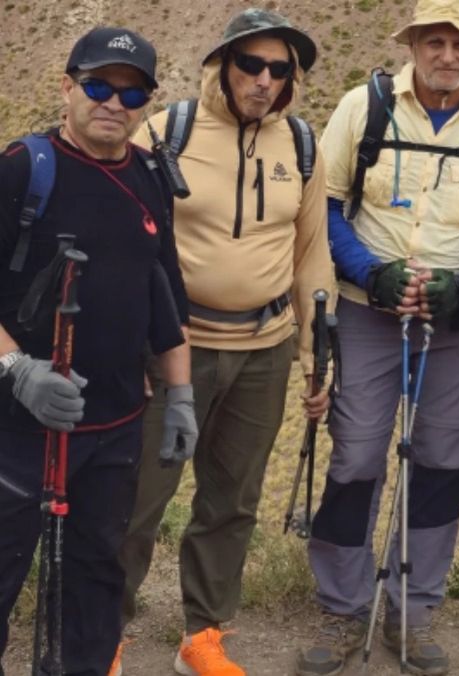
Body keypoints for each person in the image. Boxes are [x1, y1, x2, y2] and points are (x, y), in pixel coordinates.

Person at [296, 0, 459, 673]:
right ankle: (342, 609)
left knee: (444, 464)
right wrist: (370, 271)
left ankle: (413, 611)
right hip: (369, 311)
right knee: (357, 455)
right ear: (415, 45)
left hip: (456, 322)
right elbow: (326, 207)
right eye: (436, 41)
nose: (448, 55)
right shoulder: (361, 109)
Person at [116, 9, 333, 675]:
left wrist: (316, 356)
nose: (264, 80)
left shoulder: (300, 144)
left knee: (231, 500)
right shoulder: (166, 133)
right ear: (223, 65)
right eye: (251, 64)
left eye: (279, 69)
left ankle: (202, 636)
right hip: (171, 350)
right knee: (136, 498)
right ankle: (105, 629)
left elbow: (311, 255)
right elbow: (128, 245)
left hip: (264, 350)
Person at [0, 27, 195, 675]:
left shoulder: (147, 175)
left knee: (95, 581)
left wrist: (181, 395)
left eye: (132, 89)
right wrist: (16, 368)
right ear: (66, 87)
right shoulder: (26, 169)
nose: (114, 101)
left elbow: (163, 288)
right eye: (97, 85)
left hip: (114, 428)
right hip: (19, 427)